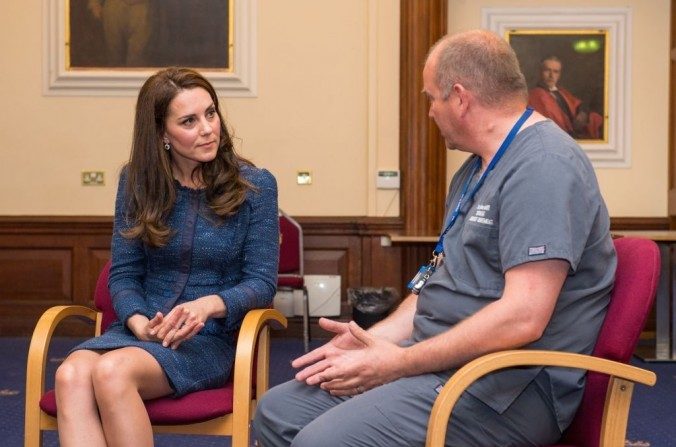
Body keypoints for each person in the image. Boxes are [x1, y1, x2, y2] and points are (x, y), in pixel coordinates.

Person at [253, 30, 615, 447]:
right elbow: (437, 283)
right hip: (440, 360)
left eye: (432, 98)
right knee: (278, 412)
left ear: (460, 98)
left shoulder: (545, 167)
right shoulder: (474, 170)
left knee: (319, 441)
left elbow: (523, 316)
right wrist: (376, 341)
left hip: (506, 387)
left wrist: (400, 362)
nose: (430, 112)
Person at [54, 67, 279, 447]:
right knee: (69, 376)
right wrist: (140, 324)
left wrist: (208, 307)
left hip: (208, 339)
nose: (208, 128)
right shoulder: (137, 182)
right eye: (189, 121)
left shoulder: (255, 186)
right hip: (139, 331)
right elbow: (123, 275)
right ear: (162, 134)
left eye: (211, 113)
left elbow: (263, 283)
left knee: (111, 373)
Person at [528, 55, 603, 139]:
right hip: (557, 136)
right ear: (540, 72)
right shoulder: (534, 96)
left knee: (596, 118)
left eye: (555, 72)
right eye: (547, 70)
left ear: (559, 74)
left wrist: (582, 114)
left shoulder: (562, 92)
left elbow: (577, 106)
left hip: (575, 131)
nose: (551, 75)